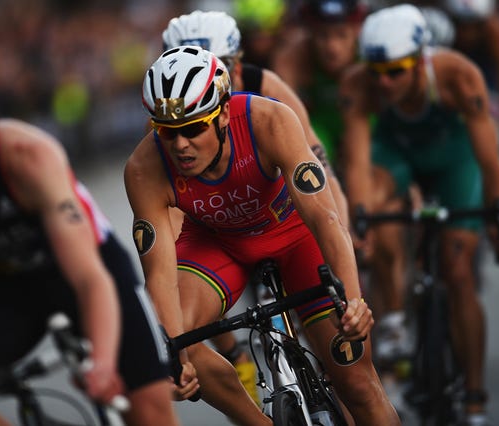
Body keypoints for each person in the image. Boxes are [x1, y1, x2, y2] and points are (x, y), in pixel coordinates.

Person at [0, 49, 179, 426]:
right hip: (6, 284)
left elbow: (91, 280)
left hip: (89, 271)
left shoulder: (27, 158)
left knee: (150, 411)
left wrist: (103, 366)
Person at [124, 45, 401, 425]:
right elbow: (159, 275)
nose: (180, 145)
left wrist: (353, 301)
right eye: (167, 132)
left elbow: (325, 220)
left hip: (293, 234)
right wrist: (179, 361)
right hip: (219, 243)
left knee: (357, 384)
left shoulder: (269, 121)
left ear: (222, 115)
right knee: (172, 340)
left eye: (192, 128)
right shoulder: (144, 168)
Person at [338, 4, 499, 424]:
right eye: (376, 71)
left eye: (396, 70)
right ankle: (397, 319)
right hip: (397, 157)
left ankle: (474, 397)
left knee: (457, 273)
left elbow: (490, 161)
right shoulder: (357, 84)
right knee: (377, 209)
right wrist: (360, 224)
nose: (384, 82)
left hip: (454, 160)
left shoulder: (457, 74)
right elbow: (360, 165)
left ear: (421, 60)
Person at [161, 8, 349, 405]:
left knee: (353, 380)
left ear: (238, 63)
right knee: (186, 307)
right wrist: (220, 343)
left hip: (284, 218)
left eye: (222, 67)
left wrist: (344, 253)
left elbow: (320, 172)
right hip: (223, 232)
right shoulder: (175, 124)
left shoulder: (269, 91)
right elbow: (172, 229)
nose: (208, 79)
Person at [272, 0, 367, 171]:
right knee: (306, 151)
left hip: (365, 122)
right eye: (323, 35)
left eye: (341, 34)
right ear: (311, 34)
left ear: (356, 31)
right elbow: (283, 117)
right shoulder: (292, 57)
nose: (332, 47)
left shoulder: (369, 53)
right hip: (320, 128)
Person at [443, 0, 499, 183]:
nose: (467, 33)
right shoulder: (445, 33)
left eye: (475, 25)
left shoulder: (496, 35)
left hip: (489, 97)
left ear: (485, 22)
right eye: (461, 25)